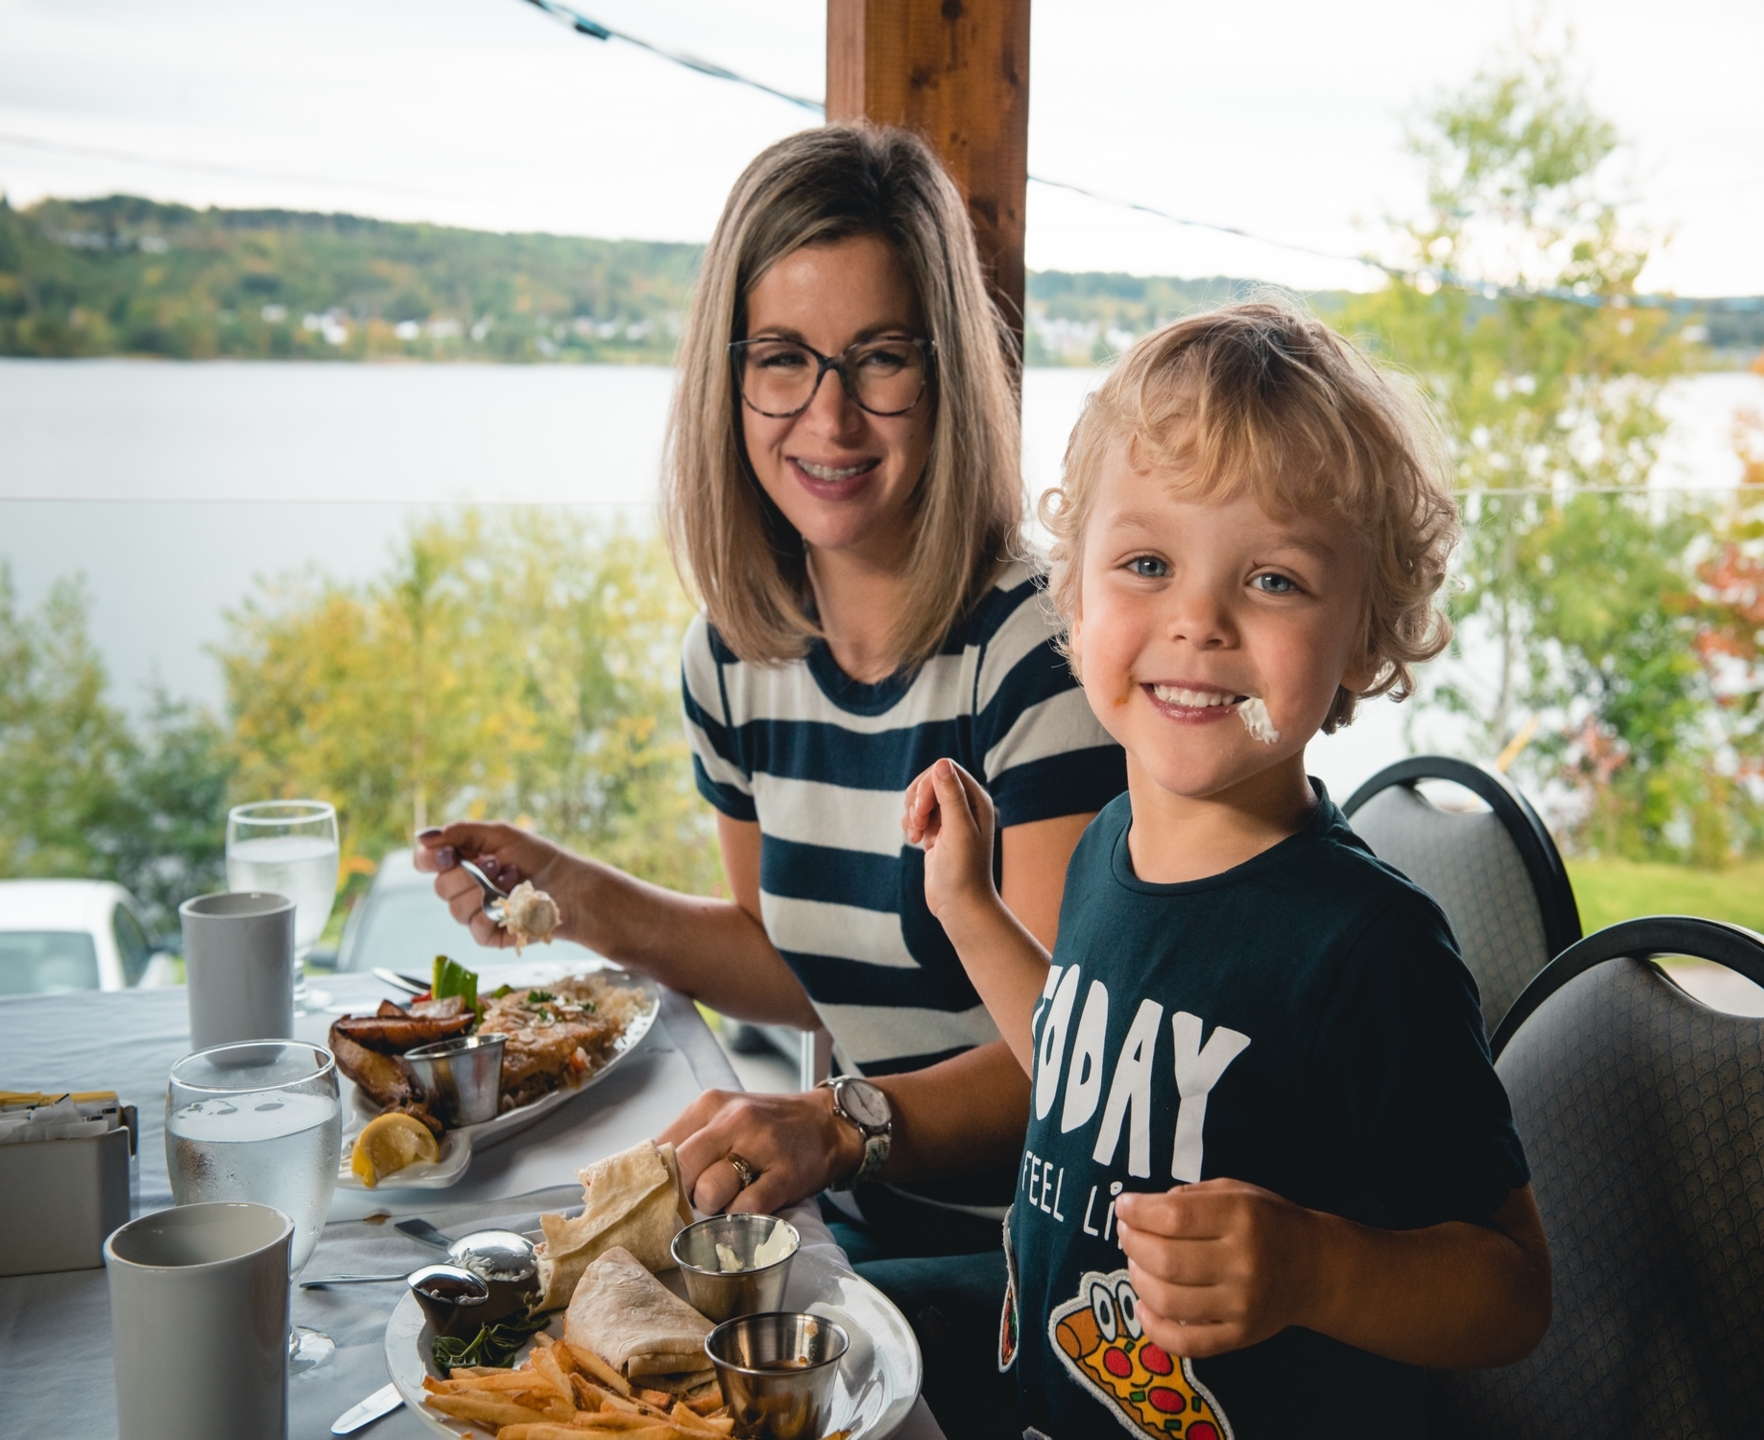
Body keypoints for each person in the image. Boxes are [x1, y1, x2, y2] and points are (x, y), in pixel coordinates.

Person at [413, 125, 1125, 1433]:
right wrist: (575, 894)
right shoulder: (732, 659)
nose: (830, 417)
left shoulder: (1040, 657)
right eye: (783, 359)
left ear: (950, 375)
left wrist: (840, 1124)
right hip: (859, 1223)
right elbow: (796, 961)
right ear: (727, 380)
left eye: (882, 358)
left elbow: (1068, 1056)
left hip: (1048, 1259)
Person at [903, 303, 1553, 1438]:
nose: (1197, 619)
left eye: (1275, 580)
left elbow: (1513, 1291)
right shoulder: (1108, 845)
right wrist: (968, 905)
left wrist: (1315, 1268)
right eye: (1147, 563)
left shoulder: (1368, 948)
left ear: (1364, 638)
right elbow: (1076, 1067)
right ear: (1076, 599)